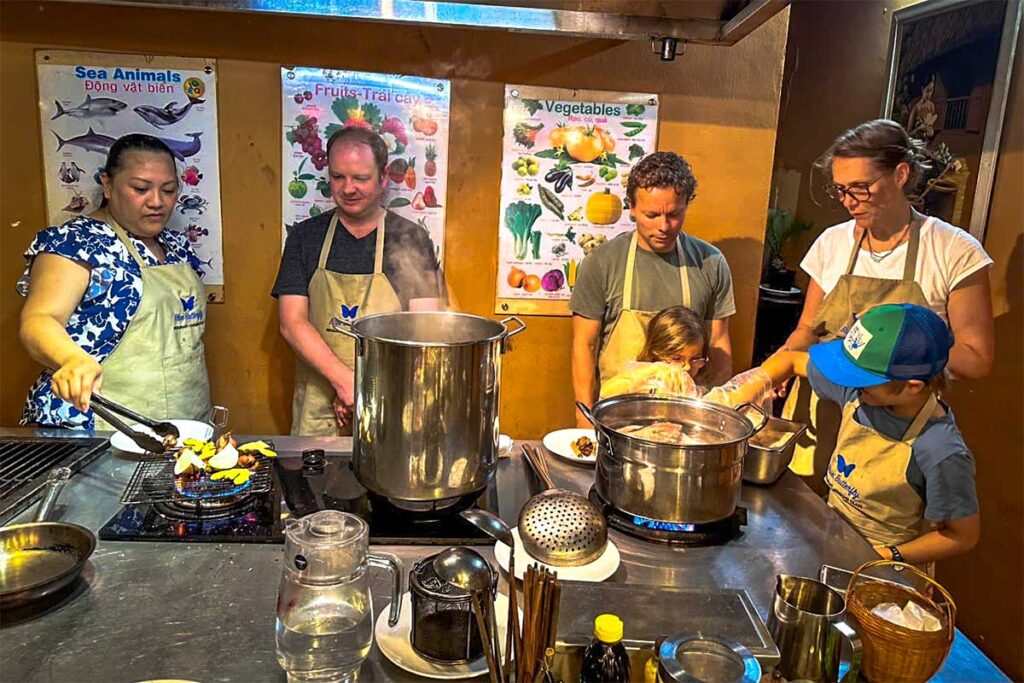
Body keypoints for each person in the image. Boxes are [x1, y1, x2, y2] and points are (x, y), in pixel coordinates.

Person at [781, 119, 994, 490]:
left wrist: (895, 350)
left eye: (860, 189)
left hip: (897, 434)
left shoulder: (952, 250)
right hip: (824, 416)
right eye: (840, 190)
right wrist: (778, 367)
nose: (848, 202)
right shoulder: (832, 243)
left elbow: (976, 358)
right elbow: (806, 329)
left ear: (900, 174)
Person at [736, 304, 979, 567]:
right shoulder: (860, 394)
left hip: (884, 571)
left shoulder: (940, 450)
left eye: (861, 380)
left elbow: (961, 536)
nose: (850, 384)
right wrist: (732, 400)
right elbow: (791, 360)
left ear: (913, 386)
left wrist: (885, 557)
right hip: (835, 541)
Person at [18, 134, 211, 428]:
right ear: (107, 185)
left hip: (180, 421)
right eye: (140, 189)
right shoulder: (76, 241)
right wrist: (71, 359)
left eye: (169, 190)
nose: (157, 202)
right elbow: (40, 318)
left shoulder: (176, 246)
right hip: (95, 425)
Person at [273, 127, 441, 435]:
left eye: (360, 178)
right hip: (319, 406)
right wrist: (345, 382)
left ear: (383, 177)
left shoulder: (410, 239)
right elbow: (291, 322)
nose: (348, 188)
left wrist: (367, 389)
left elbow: (424, 328)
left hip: (391, 398)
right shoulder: (305, 237)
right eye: (338, 177)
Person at [570, 151, 736, 427]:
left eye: (674, 214)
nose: (663, 226)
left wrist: (711, 420)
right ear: (631, 207)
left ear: (686, 205)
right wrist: (584, 419)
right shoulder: (601, 263)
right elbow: (584, 345)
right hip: (617, 418)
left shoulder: (711, 263)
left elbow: (718, 344)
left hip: (686, 419)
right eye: (651, 215)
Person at [598, 305, 706, 399]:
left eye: (696, 359)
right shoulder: (646, 381)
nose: (687, 367)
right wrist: (653, 371)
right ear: (655, 353)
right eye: (676, 359)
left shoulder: (699, 392)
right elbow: (605, 392)